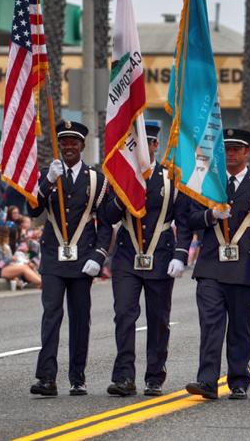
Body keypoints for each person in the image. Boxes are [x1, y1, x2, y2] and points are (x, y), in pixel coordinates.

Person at [183, 128, 250, 401]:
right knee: (210, 324)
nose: (232, 153)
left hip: (244, 267)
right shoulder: (208, 183)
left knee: (239, 326)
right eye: (227, 149)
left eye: (237, 148)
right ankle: (207, 381)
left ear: (247, 152)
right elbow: (188, 219)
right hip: (211, 265)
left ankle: (238, 379)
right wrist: (209, 215)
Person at [101, 123, 193, 397]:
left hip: (161, 254)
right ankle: (124, 377)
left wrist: (180, 253)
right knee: (125, 315)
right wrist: (121, 197)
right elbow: (107, 217)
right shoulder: (120, 176)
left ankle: (154, 376)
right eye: (138, 144)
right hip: (128, 255)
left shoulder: (172, 177)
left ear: (155, 145)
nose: (144, 148)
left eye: (149, 143)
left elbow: (184, 220)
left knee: (158, 318)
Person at [28, 121, 111, 397]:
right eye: (64, 143)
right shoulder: (48, 175)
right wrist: (48, 181)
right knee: (51, 315)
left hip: (83, 257)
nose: (68, 147)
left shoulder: (96, 179)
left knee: (79, 318)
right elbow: (33, 209)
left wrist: (99, 256)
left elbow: (106, 222)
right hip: (53, 257)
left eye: (73, 143)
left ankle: (78, 377)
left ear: (83, 146)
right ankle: (47, 378)